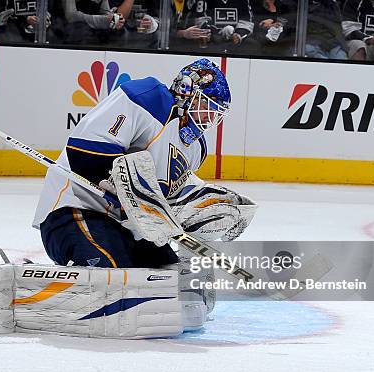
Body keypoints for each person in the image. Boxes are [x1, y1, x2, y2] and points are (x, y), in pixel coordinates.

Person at [33, 58, 255, 269]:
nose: (209, 117)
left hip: (124, 227)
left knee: (171, 274)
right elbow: (83, 152)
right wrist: (114, 181)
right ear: (186, 91)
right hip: (73, 211)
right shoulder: (149, 99)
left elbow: (169, 202)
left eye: (216, 113)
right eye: (206, 106)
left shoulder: (196, 149)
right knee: (110, 271)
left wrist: (205, 208)